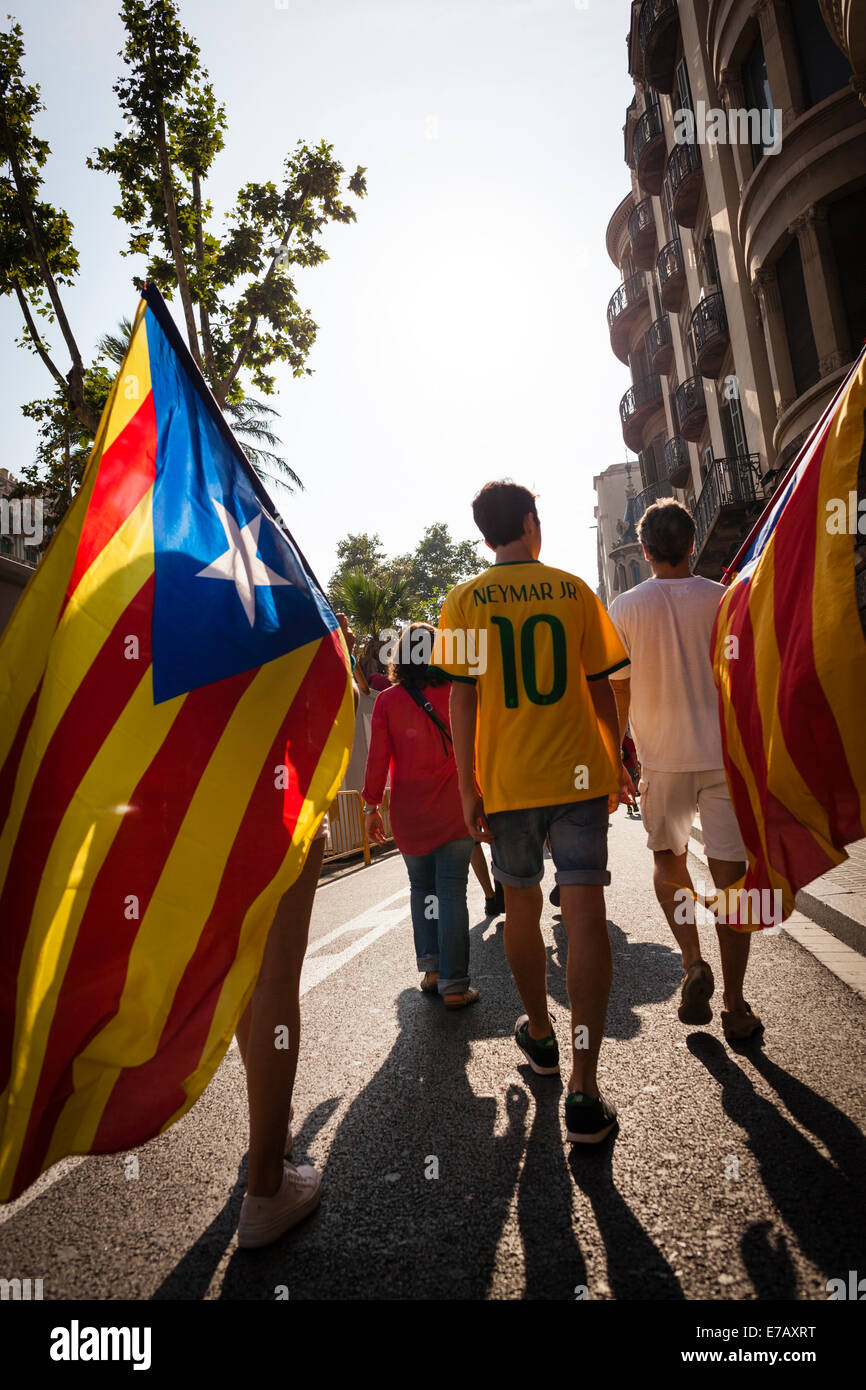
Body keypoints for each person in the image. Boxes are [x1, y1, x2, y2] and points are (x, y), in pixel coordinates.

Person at [435, 481, 632, 1144]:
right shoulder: (574, 589)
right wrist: (616, 761)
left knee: (519, 907)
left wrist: (467, 786)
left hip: (509, 783)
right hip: (578, 776)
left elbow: (463, 702)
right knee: (584, 916)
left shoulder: (462, 601)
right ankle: (585, 1088)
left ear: (487, 534)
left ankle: (541, 1037)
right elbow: (602, 688)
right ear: (528, 523)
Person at [607, 497, 762, 1042]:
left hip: (662, 760)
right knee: (732, 880)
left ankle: (693, 961)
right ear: (692, 544)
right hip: (722, 757)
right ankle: (738, 1005)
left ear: (644, 550)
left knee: (669, 863)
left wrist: (614, 760)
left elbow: (617, 691)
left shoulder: (624, 608)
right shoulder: (726, 601)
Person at [234, 620, 360, 1249]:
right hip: (278, 801)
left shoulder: (160, 576)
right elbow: (331, 690)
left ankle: (271, 1130)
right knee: (278, 972)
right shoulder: (274, 579)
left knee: (238, 971)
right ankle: (265, 1186)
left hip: (194, 810)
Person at [362, 622, 478, 1008]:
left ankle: (431, 969)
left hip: (410, 815)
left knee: (422, 890)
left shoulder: (388, 702)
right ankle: (456, 985)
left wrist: (371, 806)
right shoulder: (459, 692)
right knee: (451, 893)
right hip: (454, 809)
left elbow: (378, 758)